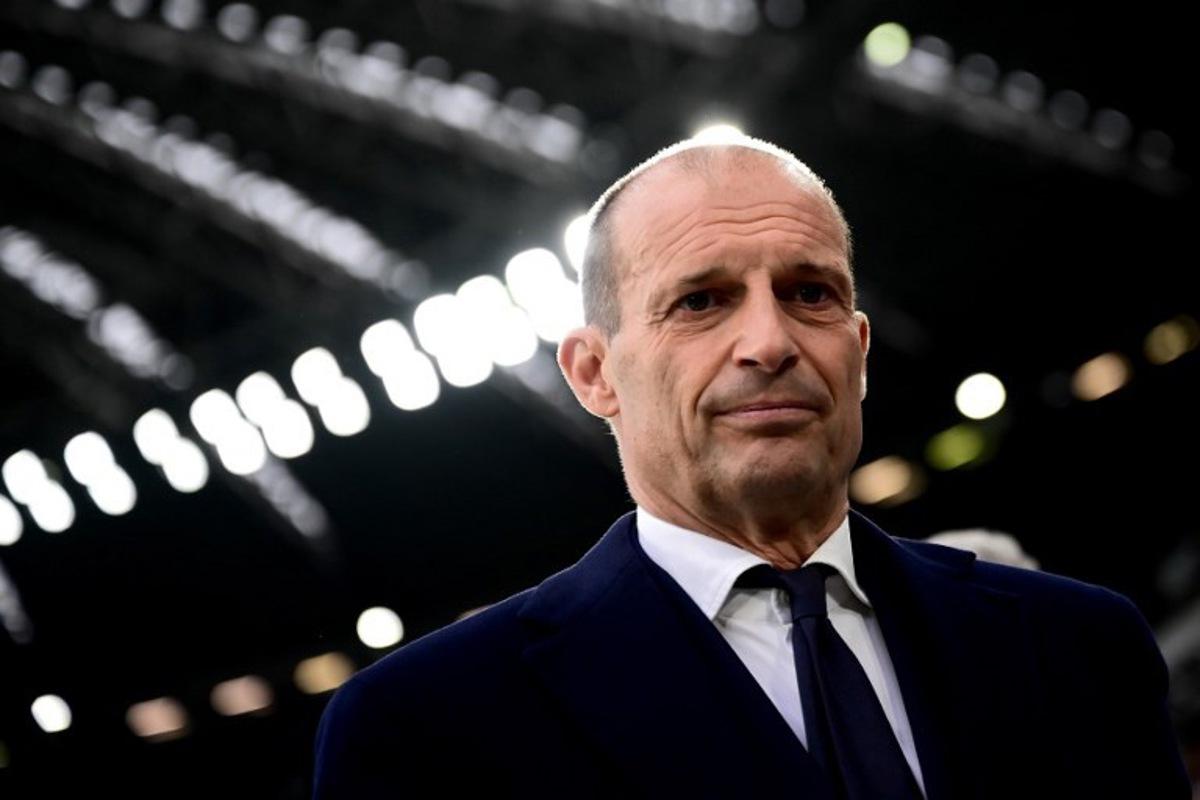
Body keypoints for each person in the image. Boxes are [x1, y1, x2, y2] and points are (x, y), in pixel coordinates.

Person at [311, 136, 1190, 798]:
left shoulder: (1082, 647)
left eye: (810, 293)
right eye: (701, 301)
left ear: (859, 350)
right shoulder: (423, 726)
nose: (769, 342)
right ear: (594, 373)